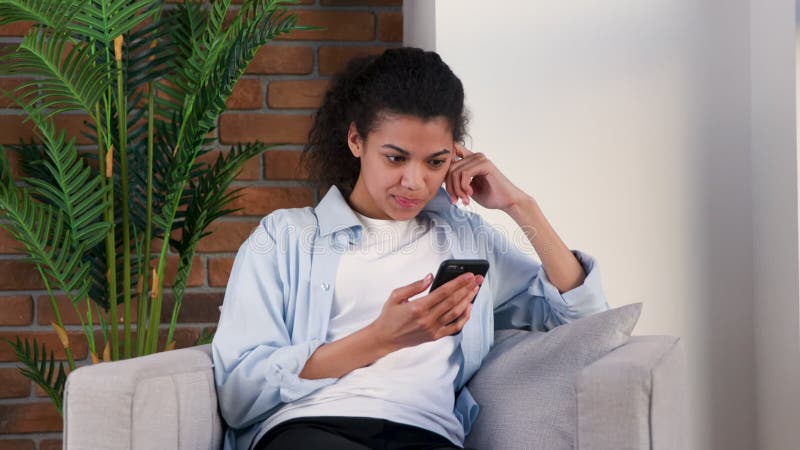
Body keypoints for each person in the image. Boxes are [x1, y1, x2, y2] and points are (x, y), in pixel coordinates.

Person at [211, 47, 609, 450]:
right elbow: (239, 393)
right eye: (396, 158)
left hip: (425, 434)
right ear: (356, 140)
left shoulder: (465, 239)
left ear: (455, 155)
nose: (415, 182)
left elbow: (586, 324)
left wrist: (520, 206)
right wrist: (381, 338)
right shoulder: (285, 238)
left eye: (435, 163)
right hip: (313, 428)